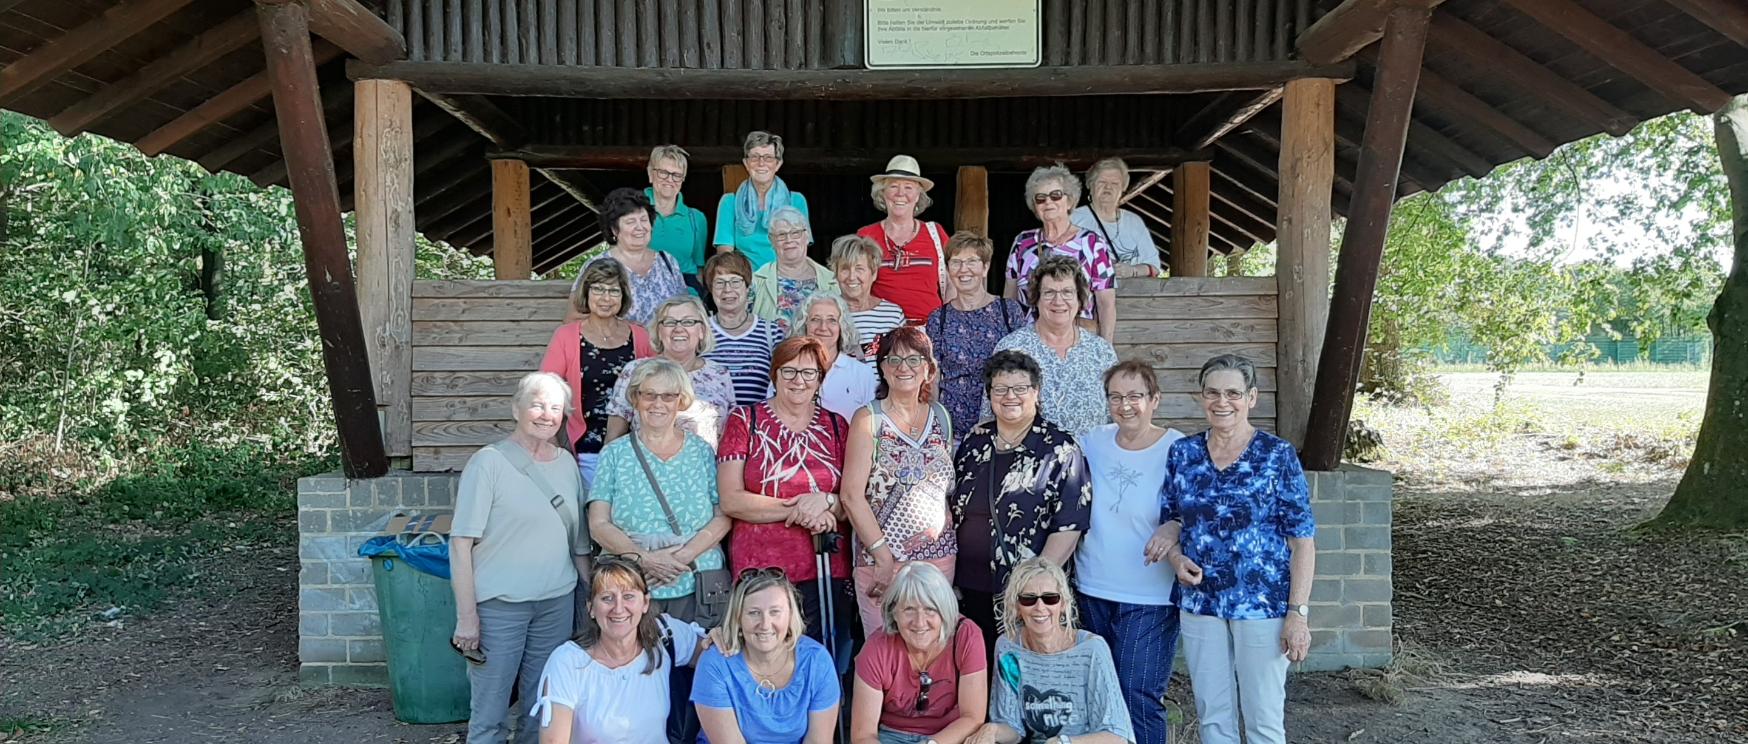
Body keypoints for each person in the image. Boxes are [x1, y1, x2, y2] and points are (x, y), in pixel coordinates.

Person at [1149, 354, 1316, 744]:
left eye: (1233, 393)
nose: (1221, 402)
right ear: (1201, 397)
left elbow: (1302, 542)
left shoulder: (1277, 456)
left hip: (1261, 604)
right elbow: (1173, 520)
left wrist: (1298, 614)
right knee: (1213, 717)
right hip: (1200, 603)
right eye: (1212, 393)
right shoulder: (1184, 453)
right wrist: (1175, 558)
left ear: (1251, 397)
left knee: (1263, 719)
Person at [450, 372, 594, 744]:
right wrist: (467, 618)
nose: (546, 415)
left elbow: (579, 545)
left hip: (555, 605)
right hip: (500, 608)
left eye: (556, 408)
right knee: (490, 713)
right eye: (537, 405)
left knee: (541, 709)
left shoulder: (566, 464)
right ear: (516, 409)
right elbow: (461, 544)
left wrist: (590, 597)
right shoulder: (488, 463)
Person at [716, 336, 856, 661]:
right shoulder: (745, 421)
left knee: (821, 662)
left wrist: (827, 502)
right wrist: (804, 507)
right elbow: (731, 500)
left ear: (820, 379)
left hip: (825, 568)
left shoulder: (837, 426)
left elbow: (850, 500)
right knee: (764, 660)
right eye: (789, 371)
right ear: (774, 374)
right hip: (760, 570)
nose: (798, 380)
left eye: (809, 373)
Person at [1074, 360, 1186, 744]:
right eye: (1116, 397)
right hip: (1093, 586)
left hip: (1149, 594)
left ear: (1155, 399)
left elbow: (1198, 509)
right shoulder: (1093, 441)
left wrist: (1174, 526)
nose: (1125, 405)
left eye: (1135, 396)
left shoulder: (1178, 448)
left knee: (1138, 694)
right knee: (1098, 694)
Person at [949, 351, 1092, 646]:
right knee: (975, 665)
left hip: (1028, 597)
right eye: (1000, 389)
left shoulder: (1061, 449)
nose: (1010, 396)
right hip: (967, 587)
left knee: (1021, 665)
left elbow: (1070, 525)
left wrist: (1034, 585)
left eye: (1020, 388)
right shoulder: (975, 442)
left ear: (1036, 392)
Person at [589, 359, 731, 625]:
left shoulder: (702, 452)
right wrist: (644, 559)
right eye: (649, 395)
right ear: (635, 398)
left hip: (696, 582)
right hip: (631, 586)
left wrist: (682, 557)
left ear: (681, 401)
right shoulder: (614, 454)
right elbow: (598, 523)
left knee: (694, 652)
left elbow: (722, 516)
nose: (658, 403)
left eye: (668, 396)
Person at [839, 327, 958, 632]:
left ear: (928, 369)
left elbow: (944, 491)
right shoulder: (869, 419)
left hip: (938, 558)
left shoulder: (941, 416)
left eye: (914, 359)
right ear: (882, 368)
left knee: (932, 645)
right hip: (882, 561)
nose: (903, 367)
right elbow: (851, 496)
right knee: (884, 650)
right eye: (893, 359)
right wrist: (882, 555)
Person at [532, 556, 705, 744]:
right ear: (591, 608)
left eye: (629, 596)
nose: (618, 608)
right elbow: (553, 741)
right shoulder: (568, 661)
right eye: (607, 598)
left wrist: (718, 639)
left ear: (645, 603)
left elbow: (713, 656)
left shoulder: (665, 635)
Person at [965, 558, 1133, 744]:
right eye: (1028, 599)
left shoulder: (1092, 649)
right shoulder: (1008, 647)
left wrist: (1065, 742)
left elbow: (1117, 735)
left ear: (1063, 604)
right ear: (1017, 607)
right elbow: (1011, 726)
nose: (1040, 607)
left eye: (1050, 598)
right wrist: (992, 730)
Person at [691, 569, 842, 744]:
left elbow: (818, 741)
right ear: (738, 618)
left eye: (775, 612)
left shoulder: (816, 660)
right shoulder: (716, 663)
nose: (765, 624)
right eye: (754, 613)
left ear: (791, 615)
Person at [540, 258, 656, 486]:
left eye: (613, 291)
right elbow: (544, 392)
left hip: (636, 449)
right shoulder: (566, 336)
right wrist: (552, 447)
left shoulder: (640, 337)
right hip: (587, 450)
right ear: (586, 292)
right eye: (598, 289)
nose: (606, 298)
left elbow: (659, 386)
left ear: (623, 295)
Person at [850, 563, 989, 744]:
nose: (919, 622)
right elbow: (863, 736)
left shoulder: (966, 635)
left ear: (945, 610)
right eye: (909, 609)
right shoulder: (876, 648)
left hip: (951, 735)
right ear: (894, 613)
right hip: (891, 736)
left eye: (930, 609)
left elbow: (972, 717)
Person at [995, 255, 1119, 437]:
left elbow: (1117, 416)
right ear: (1036, 298)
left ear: (1079, 299)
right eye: (1049, 292)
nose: (1058, 301)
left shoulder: (1102, 352)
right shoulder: (1012, 348)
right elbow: (991, 416)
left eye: (1067, 292)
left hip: (1092, 454)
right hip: (1030, 455)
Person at [924, 233, 1027, 443]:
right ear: (948, 269)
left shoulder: (1008, 311)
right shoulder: (938, 319)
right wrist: (934, 425)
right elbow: (933, 376)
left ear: (985, 267)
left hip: (1002, 426)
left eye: (972, 261)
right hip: (953, 429)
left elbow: (1024, 370)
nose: (964, 269)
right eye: (956, 262)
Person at [1004, 165, 1117, 342]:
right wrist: (1009, 343)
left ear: (1070, 201)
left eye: (1055, 195)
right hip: (1029, 342)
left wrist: (1106, 348)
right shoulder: (1022, 243)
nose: (1048, 202)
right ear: (1035, 206)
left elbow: (1106, 304)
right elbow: (1009, 299)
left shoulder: (1092, 243)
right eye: (1040, 198)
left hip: (1078, 341)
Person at [606, 296, 737, 447]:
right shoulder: (635, 371)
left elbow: (731, 437)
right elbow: (613, 439)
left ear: (701, 331)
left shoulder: (719, 374)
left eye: (688, 322)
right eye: (670, 322)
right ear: (659, 331)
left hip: (707, 461)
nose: (678, 328)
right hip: (644, 461)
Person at [856, 155, 953, 324]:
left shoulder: (935, 233)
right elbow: (855, 284)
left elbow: (952, 283)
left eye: (908, 187)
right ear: (882, 193)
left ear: (918, 196)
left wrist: (948, 324)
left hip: (930, 327)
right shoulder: (866, 235)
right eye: (893, 186)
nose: (900, 193)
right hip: (881, 328)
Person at [578, 188, 688, 325]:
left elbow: (685, 307)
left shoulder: (668, 261)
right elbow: (575, 317)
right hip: (621, 339)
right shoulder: (597, 265)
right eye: (630, 222)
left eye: (644, 220)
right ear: (614, 229)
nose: (640, 227)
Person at [714, 131, 810, 269]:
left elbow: (800, 252)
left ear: (778, 164)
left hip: (785, 276)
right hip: (745, 276)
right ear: (746, 163)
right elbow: (725, 254)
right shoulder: (729, 202)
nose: (761, 163)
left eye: (768, 158)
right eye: (754, 157)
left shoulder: (796, 201)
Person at [704, 251, 784, 407]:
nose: (727, 289)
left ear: (747, 287)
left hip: (757, 421)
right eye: (719, 282)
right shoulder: (699, 331)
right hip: (710, 421)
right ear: (711, 288)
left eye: (735, 281)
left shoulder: (772, 333)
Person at [750, 206, 838, 335]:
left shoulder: (832, 280)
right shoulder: (756, 281)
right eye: (781, 235)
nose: (789, 240)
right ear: (771, 241)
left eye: (795, 233)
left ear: (807, 236)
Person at [1072, 158, 1163, 279]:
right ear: (1090, 185)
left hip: (1131, 290)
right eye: (1102, 182)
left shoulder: (1134, 222)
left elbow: (1154, 267)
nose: (1108, 187)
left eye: (1115, 184)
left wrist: (1132, 271)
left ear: (1123, 188)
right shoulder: (1073, 219)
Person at [797, 292, 880, 422]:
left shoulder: (862, 373)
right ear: (804, 324)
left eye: (832, 320)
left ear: (842, 327)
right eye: (815, 319)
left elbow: (874, 425)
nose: (823, 327)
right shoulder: (788, 369)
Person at [832, 234, 908, 367]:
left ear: (873, 274)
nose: (852, 277)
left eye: (859, 269)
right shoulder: (828, 314)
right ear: (836, 273)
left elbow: (902, 360)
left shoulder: (892, 314)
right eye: (845, 269)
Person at [645, 144, 711, 286]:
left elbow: (699, 270)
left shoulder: (696, 218)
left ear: (683, 179)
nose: (670, 179)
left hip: (683, 289)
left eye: (676, 175)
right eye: (663, 172)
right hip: (641, 287)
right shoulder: (632, 210)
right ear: (650, 173)